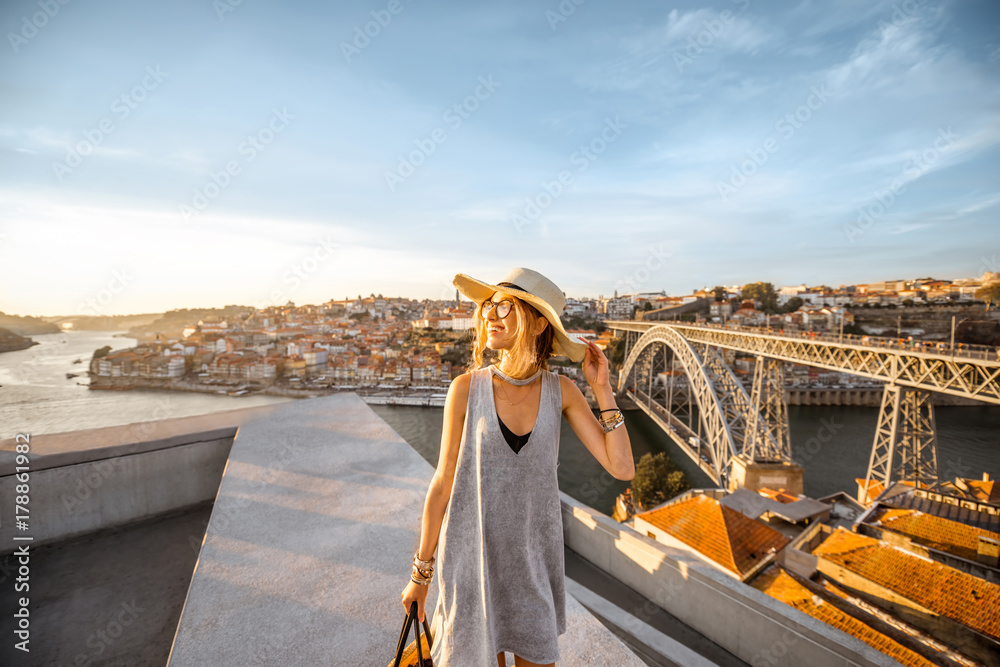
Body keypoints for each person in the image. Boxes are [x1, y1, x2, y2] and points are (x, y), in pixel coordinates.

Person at [400, 267, 635, 667]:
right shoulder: (465, 388)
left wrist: (603, 390)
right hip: (470, 568)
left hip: (532, 571)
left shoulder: (562, 391)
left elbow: (622, 467)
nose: (489, 314)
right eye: (487, 305)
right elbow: (442, 485)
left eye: (504, 305)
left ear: (539, 320)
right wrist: (420, 575)